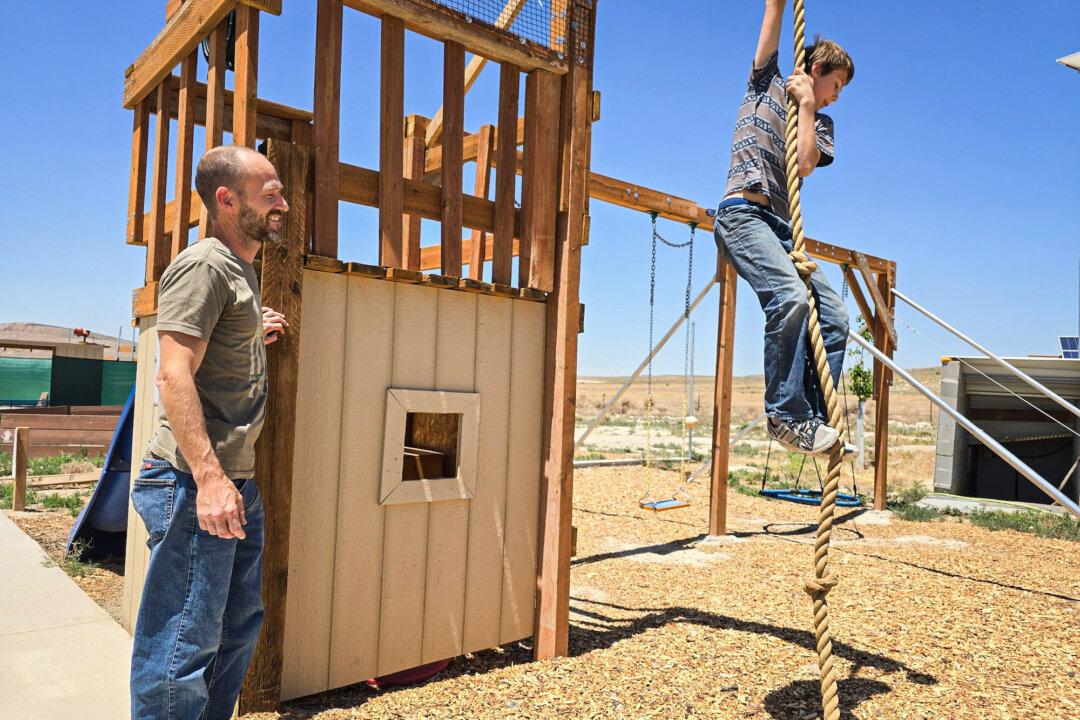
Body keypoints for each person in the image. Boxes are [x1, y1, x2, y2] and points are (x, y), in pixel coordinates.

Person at [129, 144, 290, 720]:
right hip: (194, 482)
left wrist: (250, 331)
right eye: (270, 193)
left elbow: (214, 345)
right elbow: (173, 373)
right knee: (182, 643)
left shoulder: (238, 271)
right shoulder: (204, 265)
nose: (283, 204)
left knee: (237, 626)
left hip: (232, 482)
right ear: (227, 199)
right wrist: (209, 478)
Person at [714, 0, 855, 457]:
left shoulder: (820, 119)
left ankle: (816, 420)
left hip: (780, 228)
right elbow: (774, 10)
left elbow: (806, 165)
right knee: (790, 298)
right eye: (835, 85)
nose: (836, 96)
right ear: (816, 68)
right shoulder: (764, 81)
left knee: (835, 316)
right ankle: (786, 416)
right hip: (743, 215)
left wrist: (810, 107)